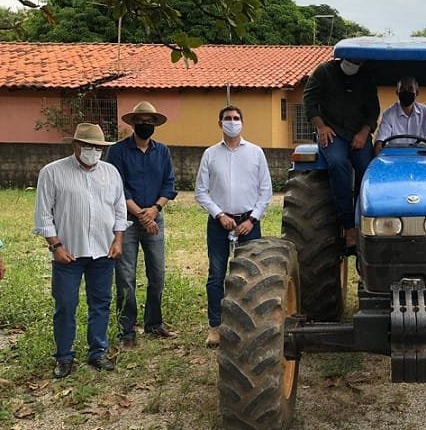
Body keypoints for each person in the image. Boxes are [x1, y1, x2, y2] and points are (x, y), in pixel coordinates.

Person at [33, 123, 128, 378]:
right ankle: (64, 356)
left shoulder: (111, 173)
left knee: (101, 303)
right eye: (87, 146)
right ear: (75, 145)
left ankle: (98, 351)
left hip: (103, 252)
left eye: (97, 147)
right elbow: (44, 215)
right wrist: (56, 246)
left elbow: (120, 210)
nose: (93, 151)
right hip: (68, 254)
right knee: (65, 304)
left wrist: (118, 240)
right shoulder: (52, 173)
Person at [195, 106, 272, 347]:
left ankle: (250, 324)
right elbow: (200, 192)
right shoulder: (210, 154)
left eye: (236, 118)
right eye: (227, 119)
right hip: (219, 223)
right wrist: (219, 215)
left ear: (243, 122)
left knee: (251, 276)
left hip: (249, 223)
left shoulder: (256, 153)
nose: (232, 122)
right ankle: (216, 326)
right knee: (216, 275)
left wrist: (252, 220)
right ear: (220, 124)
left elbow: (266, 190)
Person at [105, 101, 178, 350]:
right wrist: (140, 215)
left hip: (154, 217)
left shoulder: (163, 152)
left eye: (150, 121)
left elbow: (170, 184)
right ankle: (127, 330)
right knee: (125, 277)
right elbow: (117, 187)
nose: (145, 125)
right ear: (133, 123)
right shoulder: (117, 152)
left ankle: (154, 322)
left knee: (157, 275)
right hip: (125, 221)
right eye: (141, 121)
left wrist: (155, 210)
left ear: (154, 125)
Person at [303, 57, 380, 248]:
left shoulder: (366, 77)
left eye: (358, 61)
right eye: (352, 59)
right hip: (332, 132)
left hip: (358, 134)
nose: (355, 63)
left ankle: (365, 219)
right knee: (337, 163)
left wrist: (364, 133)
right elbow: (309, 101)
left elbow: (373, 110)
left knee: (368, 168)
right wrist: (321, 127)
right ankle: (348, 226)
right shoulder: (323, 72)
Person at [374, 76, 426, 152]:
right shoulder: (388, 114)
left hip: (419, 156)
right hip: (395, 156)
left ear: (417, 92)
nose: (406, 91)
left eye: (410, 89)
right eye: (403, 89)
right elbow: (380, 141)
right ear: (397, 92)